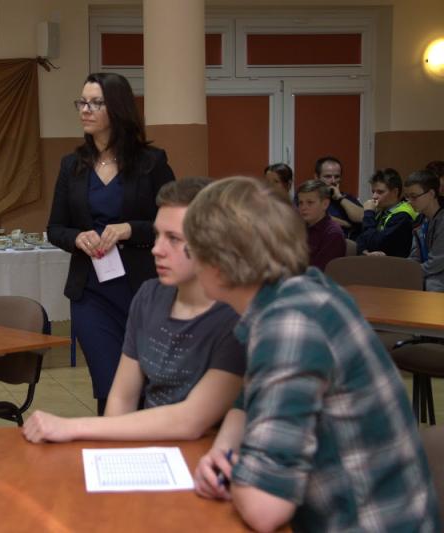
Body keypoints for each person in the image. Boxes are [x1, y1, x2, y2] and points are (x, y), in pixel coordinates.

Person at [185, 177, 439, 532]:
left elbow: (264, 508)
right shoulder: (300, 291)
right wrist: (223, 452)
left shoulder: (290, 324)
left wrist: (235, 471)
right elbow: (249, 401)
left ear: (219, 263)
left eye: (191, 250)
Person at [23, 178, 245, 443]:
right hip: (150, 452)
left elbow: (190, 421)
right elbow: (122, 397)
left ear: (214, 243)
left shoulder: (236, 316)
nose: (157, 249)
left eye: (173, 239)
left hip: (204, 456)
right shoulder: (150, 295)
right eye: (157, 235)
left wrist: (73, 427)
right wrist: (111, 454)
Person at [47, 72, 176, 415]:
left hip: (141, 289)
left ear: (117, 109)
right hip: (91, 292)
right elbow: (55, 228)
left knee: (145, 383)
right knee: (109, 382)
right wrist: (77, 237)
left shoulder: (152, 162)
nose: (85, 110)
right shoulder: (72, 165)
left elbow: (176, 222)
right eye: (82, 102)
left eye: (95, 103)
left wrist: (129, 229)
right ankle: (113, 442)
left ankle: (146, 442)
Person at [356, 168, 417, 256]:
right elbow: (361, 239)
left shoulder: (403, 216)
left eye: (380, 192)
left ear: (395, 192)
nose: (374, 196)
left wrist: (368, 213)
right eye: (373, 192)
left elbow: (376, 244)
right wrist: (365, 252)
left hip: (397, 263)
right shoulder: (382, 211)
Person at [405, 169, 444, 291]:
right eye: (407, 197)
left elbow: (435, 263)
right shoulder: (420, 221)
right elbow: (415, 258)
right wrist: (401, 268)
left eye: (414, 197)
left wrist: (408, 273)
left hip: (438, 279)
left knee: (432, 284)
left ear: (431, 194)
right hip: (426, 275)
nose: (409, 202)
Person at [296, 179, 346, 270]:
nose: (303, 208)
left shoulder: (333, 234)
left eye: (310, 202)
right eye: (300, 203)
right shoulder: (298, 228)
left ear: (325, 204)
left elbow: (319, 273)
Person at [314, 155, 363, 237]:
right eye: (328, 176)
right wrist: (346, 224)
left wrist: (340, 198)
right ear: (317, 177)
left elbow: (362, 217)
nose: (333, 181)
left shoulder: (347, 198)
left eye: (337, 177)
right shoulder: (307, 197)